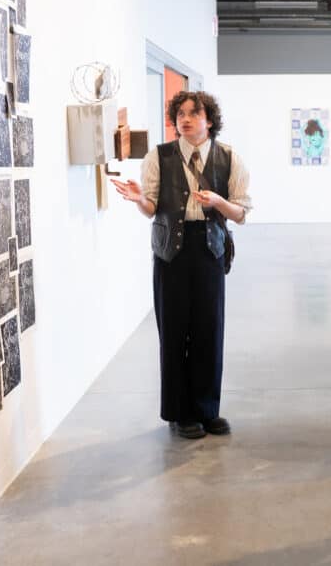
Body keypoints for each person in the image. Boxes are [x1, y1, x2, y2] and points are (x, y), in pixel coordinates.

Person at [111, 91, 252, 440]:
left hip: (209, 250)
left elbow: (241, 213)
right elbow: (152, 207)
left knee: (209, 330)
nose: (185, 119)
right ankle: (179, 412)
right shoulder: (160, 156)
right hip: (171, 252)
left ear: (210, 120)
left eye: (194, 113)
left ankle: (207, 410)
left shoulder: (229, 157)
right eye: (180, 114)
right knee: (174, 332)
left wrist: (219, 202)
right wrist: (139, 199)